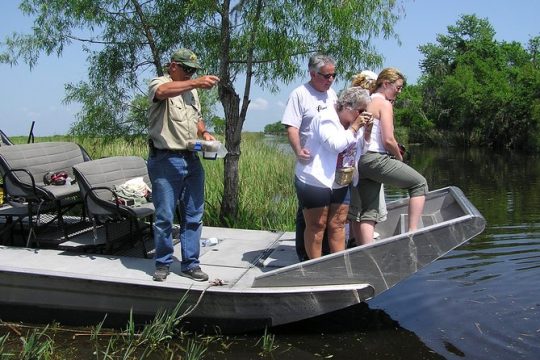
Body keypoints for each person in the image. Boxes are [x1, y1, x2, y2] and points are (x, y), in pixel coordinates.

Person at [147, 48, 220, 282]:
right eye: (186, 69)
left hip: (191, 158)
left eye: (193, 71)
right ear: (173, 66)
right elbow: (162, 92)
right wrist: (197, 82)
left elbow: (196, 118)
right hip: (165, 159)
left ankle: (190, 264)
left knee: (193, 214)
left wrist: (205, 133)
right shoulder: (161, 82)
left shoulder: (191, 92)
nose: (189, 74)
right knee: (165, 216)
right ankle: (163, 263)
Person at [296, 87, 372, 259]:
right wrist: (355, 126)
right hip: (315, 180)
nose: (364, 115)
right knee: (317, 225)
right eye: (361, 111)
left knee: (338, 224)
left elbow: (362, 150)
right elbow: (335, 145)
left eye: (366, 111)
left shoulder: (355, 123)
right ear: (347, 106)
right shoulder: (325, 118)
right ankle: (314, 267)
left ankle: (338, 266)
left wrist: (366, 132)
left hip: (341, 179)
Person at [356, 68, 428, 245]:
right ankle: (412, 234)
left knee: (369, 211)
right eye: (398, 87)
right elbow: (388, 139)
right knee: (419, 184)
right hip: (376, 158)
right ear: (386, 84)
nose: (400, 91)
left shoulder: (366, 100)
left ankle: (367, 251)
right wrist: (398, 156)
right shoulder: (384, 104)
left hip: (361, 161)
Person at [281, 54, 338, 262]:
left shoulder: (332, 95)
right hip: (309, 165)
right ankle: (306, 258)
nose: (330, 80)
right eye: (326, 76)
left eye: (334, 75)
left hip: (330, 166)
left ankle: (324, 256)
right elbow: (291, 127)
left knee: (322, 216)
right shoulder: (300, 94)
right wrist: (297, 149)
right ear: (312, 74)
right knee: (309, 217)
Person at [347, 70, 388, 246]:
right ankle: (364, 244)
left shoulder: (353, 106)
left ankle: (354, 239)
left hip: (355, 162)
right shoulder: (367, 106)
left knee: (356, 206)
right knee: (368, 209)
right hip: (364, 161)